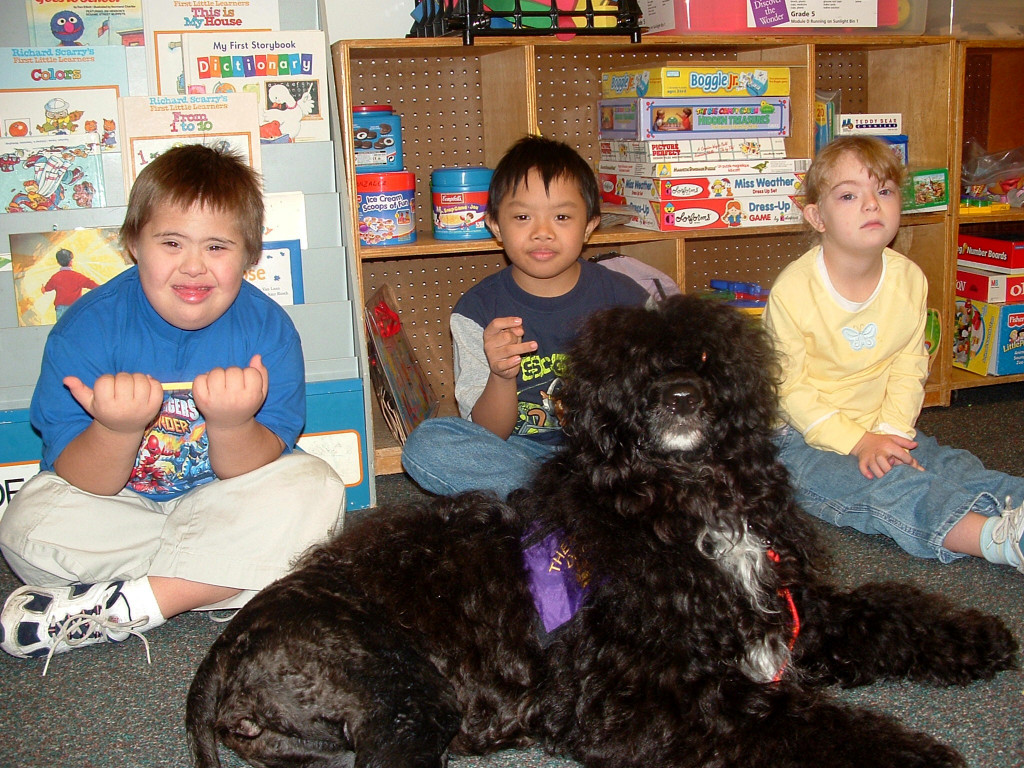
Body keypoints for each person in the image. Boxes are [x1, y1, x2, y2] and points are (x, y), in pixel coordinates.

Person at [0, 144, 347, 669]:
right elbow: (80, 477)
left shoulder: (268, 331)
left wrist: (231, 422)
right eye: (171, 242)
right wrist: (115, 431)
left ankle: (135, 603)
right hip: (120, 511)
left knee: (317, 488)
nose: (192, 267)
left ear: (250, 257)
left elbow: (256, 465)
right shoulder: (87, 328)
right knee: (27, 525)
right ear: (133, 244)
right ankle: (222, 577)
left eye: (217, 247)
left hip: (225, 503)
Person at [763, 134, 1024, 574]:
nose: (871, 205)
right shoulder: (793, 290)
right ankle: (995, 539)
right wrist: (861, 443)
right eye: (849, 195)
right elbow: (789, 388)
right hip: (798, 438)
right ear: (816, 216)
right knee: (885, 487)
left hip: (878, 421)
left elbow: (908, 365)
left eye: (883, 191)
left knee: (947, 462)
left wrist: (889, 432)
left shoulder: (909, 278)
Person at [401, 135, 649, 498]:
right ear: (496, 226)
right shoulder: (477, 312)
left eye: (562, 217)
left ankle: (564, 503)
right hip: (525, 457)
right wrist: (501, 376)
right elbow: (490, 434)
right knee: (428, 444)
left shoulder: (628, 300)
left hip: (614, 454)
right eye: (522, 217)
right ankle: (573, 502)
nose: (542, 232)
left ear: (590, 226)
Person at [42, 247, 98, 321]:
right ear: (71, 262)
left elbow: (48, 287)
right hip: (75, 306)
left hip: (61, 308)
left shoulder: (56, 277)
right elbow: (91, 284)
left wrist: (44, 289)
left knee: (62, 329)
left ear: (58, 262)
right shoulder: (78, 276)